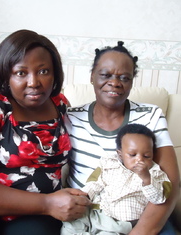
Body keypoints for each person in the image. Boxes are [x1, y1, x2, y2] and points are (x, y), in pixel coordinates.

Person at [0, 29, 90, 235]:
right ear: (6, 74)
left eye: (43, 71)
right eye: (21, 73)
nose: (34, 82)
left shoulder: (59, 105)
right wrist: (47, 203)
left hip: (35, 215)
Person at [65, 41, 180, 234]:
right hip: (88, 215)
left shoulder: (150, 115)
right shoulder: (70, 117)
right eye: (105, 75)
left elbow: (171, 181)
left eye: (124, 77)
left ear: (132, 82)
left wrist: (141, 231)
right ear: (92, 76)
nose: (115, 83)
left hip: (141, 215)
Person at [61, 123, 172, 234]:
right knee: (71, 224)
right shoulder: (109, 163)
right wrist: (83, 196)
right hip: (97, 210)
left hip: (120, 222)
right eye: (132, 154)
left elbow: (159, 199)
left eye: (147, 156)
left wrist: (146, 179)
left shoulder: (155, 173)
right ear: (120, 154)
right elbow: (95, 183)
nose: (139, 160)